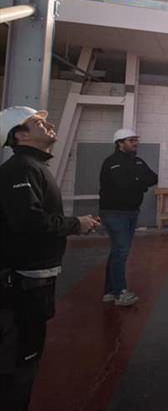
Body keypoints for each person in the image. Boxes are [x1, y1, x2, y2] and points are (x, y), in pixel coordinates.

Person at [0, 106, 99, 410]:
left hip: (35, 277)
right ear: (20, 134)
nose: (48, 124)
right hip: (24, 281)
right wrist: (75, 224)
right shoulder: (22, 169)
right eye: (38, 122)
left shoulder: (34, 167)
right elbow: (29, 222)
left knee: (28, 353)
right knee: (21, 360)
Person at [99, 128, 158, 307]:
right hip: (114, 213)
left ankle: (109, 291)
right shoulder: (112, 162)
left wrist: (138, 182)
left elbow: (153, 177)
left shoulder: (138, 161)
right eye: (131, 140)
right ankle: (120, 292)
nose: (135, 143)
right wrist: (140, 183)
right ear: (120, 143)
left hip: (131, 212)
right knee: (121, 251)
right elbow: (123, 185)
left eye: (136, 140)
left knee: (118, 251)